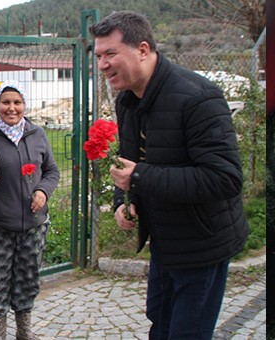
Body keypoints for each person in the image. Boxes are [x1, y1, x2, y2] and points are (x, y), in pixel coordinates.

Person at [90, 11, 249, 339]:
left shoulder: (198, 97)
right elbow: (129, 164)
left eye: (110, 54)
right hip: (165, 242)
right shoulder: (128, 101)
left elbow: (225, 178)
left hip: (202, 245)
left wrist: (140, 179)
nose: (102, 65)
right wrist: (124, 202)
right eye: (98, 56)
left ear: (143, 50)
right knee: (159, 324)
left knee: (186, 332)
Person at [0, 80, 60, 340]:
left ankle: (24, 333)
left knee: (28, 280)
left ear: (25, 105)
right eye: (6, 102)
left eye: (17, 102)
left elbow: (51, 171)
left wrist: (42, 191)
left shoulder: (37, 134)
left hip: (34, 226)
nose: (11, 108)